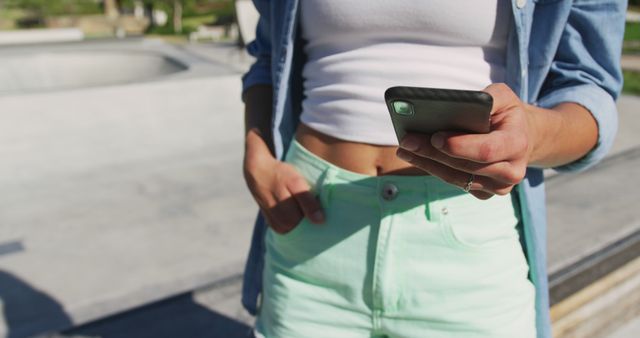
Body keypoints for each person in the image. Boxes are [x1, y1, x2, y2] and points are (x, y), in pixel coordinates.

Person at [240, 1, 626, 337]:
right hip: (311, 226)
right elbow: (269, 55)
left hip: (468, 239)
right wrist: (257, 151)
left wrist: (531, 135)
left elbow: (589, 86)